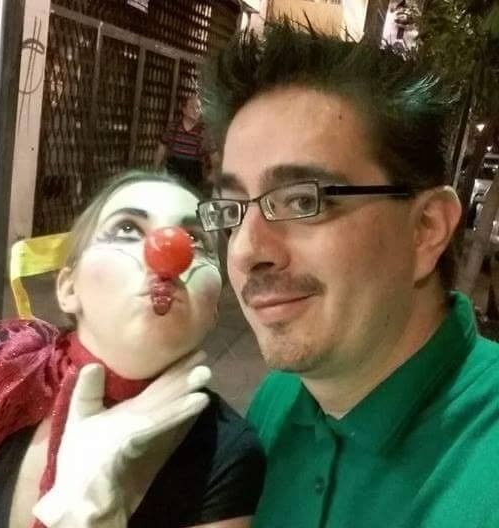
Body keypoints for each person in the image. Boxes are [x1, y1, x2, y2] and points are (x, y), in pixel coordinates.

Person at [196, 20, 499, 528]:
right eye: (231, 209)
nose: (246, 251)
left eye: (301, 201)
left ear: (426, 229)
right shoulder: (278, 399)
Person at [0, 170, 265, 528]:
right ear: (68, 288)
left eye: (196, 239)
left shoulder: (228, 453)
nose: (169, 251)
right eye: (127, 229)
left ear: (214, 307)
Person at [154, 96, 220, 192]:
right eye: (192, 107)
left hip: (193, 176)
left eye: (198, 108)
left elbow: (214, 156)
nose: (196, 110)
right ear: (184, 110)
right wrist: (155, 169)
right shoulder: (173, 127)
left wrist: (213, 173)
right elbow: (162, 148)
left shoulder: (204, 132)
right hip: (173, 174)